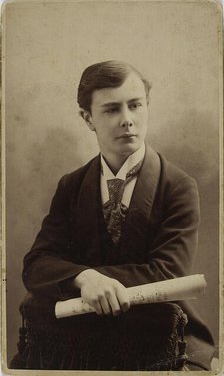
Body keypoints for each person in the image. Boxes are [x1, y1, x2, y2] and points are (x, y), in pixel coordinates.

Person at [22, 60, 214, 370]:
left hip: (161, 337)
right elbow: (36, 265)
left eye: (135, 105)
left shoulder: (177, 186)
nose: (128, 120)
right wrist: (85, 278)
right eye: (112, 110)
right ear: (88, 119)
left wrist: (83, 276)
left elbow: (167, 273)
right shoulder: (72, 185)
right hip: (85, 336)